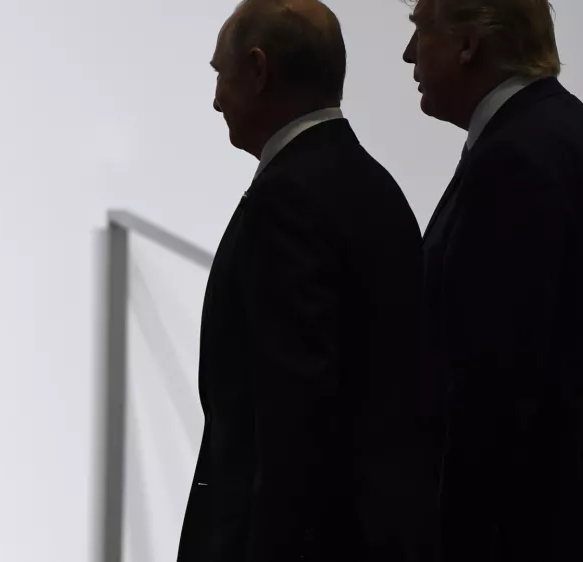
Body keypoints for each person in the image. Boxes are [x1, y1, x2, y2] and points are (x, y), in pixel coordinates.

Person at [402, 0, 583, 560]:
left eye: (421, 30)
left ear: (468, 45)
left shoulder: (517, 159)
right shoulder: (560, 138)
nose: (409, 52)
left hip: (558, 520)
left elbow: (491, 384)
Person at [177, 1, 426, 560]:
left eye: (221, 72)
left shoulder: (286, 201)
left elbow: (291, 425)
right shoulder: (377, 190)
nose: (216, 99)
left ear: (259, 71)